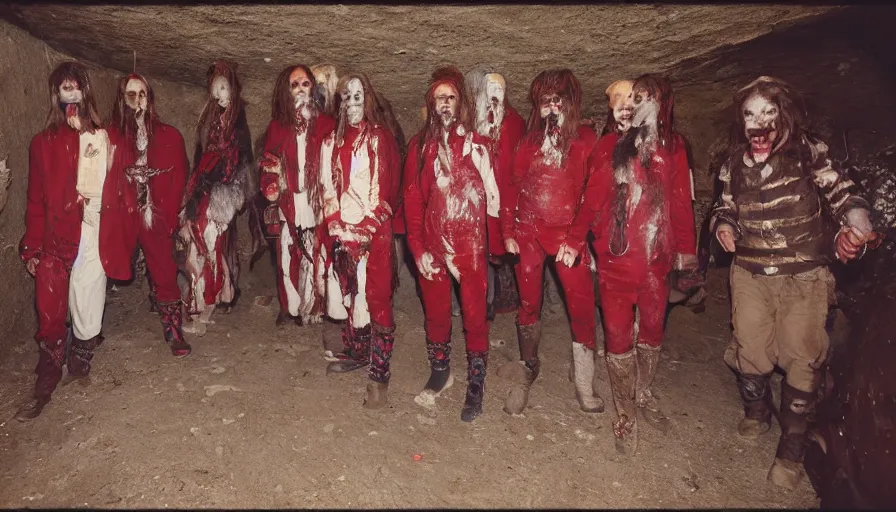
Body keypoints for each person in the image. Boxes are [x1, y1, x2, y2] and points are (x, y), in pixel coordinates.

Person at [710, 76, 881, 489]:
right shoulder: (733, 164)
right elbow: (726, 205)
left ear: (784, 116)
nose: (759, 123)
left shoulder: (808, 153)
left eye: (768, 112)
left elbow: (842, 192)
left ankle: (791, 451)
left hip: (803, 276)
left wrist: (856, 224)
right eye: (750, 114)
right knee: (751, 348)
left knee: (801, 355)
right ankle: (757, 412)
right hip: (751, 272)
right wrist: (723, 225)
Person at [566, 74, 698, 455]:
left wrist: (687, 258)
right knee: (619, 338)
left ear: (662, 104)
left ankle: (642, 392)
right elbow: (591, 200)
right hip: (615, 267)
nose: (639, 103)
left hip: (656, 267)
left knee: (652, 333)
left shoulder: (673, 149)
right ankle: (624, 415)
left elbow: (680, 205)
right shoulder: (609, 146)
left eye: (647, 97)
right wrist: (576, 241)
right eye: (635, 97)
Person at [16, 62, 136, 420]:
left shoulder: (104, 136)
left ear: (85, 93)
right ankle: (46, 378)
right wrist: (31, 245)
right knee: (50, 306)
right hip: (55, 235)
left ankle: (81, 352)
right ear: (57, 95)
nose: (71, 95)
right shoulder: (42, 143)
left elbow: (120, 184)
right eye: (64, 89)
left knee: (87, 294)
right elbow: (35, 198)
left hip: (92, 229)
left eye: (76, 88)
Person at [497, 69, 604, 415]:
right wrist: (508, 232)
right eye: (545, 102)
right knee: (528, 302)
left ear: (570, 104)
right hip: (529, 233)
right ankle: (529, 364)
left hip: (566, 236)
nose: (552, 108)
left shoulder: (585, 140)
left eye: (558, 101)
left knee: (581, 303)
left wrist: (576, 240)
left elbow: (593, 196)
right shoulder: (528, 143)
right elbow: (512, 187)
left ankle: (584, 377)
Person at [403, 65, 500, 422]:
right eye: (438, 98)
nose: (445, 104)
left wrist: (500, 244)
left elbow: (494, 197)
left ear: (460, 104)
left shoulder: (477, 145)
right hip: (432, 243)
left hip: (470, 246)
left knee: (474, 314)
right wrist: (417, 248)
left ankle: (476, 380)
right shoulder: (419, 147)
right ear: (431, 104)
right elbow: (413, 201)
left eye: (451, 98)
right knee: (437, 312)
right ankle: (441, 371)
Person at [319, 72, 400, 409]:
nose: (351, 104)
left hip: (374, 235)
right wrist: (336, 225)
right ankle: (357, 350)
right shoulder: (329, 142)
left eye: (357, 96)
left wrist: (365, 231)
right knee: (347, 290)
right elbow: (326, 185)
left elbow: (385, 191)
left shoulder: (380, 138)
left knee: (376, 296)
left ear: (368, 100)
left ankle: (380, 373)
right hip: (341, 230)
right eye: (346, 97)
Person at [108, 72, 191, 356]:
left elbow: (180, 176)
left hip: (155, 215)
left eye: (142, 94)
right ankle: (85, 331)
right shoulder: (110, 137)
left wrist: (171, 216)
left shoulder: (169, 136)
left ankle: (172, 327)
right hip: (123, 214)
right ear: (122, 99)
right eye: (131, 95)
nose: (137, 101)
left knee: (165, 269)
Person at [178, 61, 254, 334]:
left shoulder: (238, 128)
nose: (219, 94)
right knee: (202, 250)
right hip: (204, 192)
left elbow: (243, 164)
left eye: (224, 88)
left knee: (209, 249)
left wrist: (232, 195)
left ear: (233, 90)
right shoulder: (208, 125)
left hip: (221, 196)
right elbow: (200, 161)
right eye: (214, 89)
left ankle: (204, 308)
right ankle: (206, 304)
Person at [259, 64, 336, 326]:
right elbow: (269, 160)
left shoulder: (327, 124)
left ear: (313, 87)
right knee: (287, 251)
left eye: (305, 83)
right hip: (289, 199)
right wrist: (271, 187)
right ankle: (289, 306)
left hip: (318, 201)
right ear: (287, 91)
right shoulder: (277, 127)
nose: (301, 89)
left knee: (318, 251)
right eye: (295, 85)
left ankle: (317, 306)